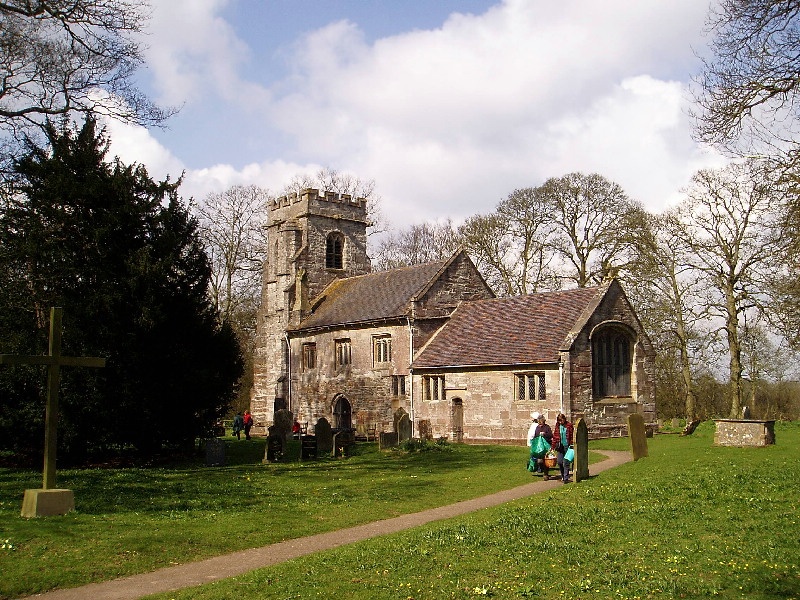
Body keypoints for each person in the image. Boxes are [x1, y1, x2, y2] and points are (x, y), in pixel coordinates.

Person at [552, 413, 574, 483]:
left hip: (568, 446)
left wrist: (572, 444)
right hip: (560, 446)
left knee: (566, 462)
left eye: (561, 420)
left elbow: (572, 435)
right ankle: (563, 475)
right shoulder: (558, 426)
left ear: (564, 419)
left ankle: (566, 478)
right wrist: (553, 446)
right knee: (559, 462)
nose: (560, 422)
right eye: (559, 421)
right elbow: (555, 436)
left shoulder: (569, 425)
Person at [534, 414, 553, 480]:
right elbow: (535, 436)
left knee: (546, 461)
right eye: (538, 421)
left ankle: (546, 474)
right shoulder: (537, 427)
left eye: (540, 421)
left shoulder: (547, 427)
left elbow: (550, 435)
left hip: (546, 446)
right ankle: (542, 469)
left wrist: (544, 434)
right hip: (539, 447)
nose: (539, 423)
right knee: (540, 461)